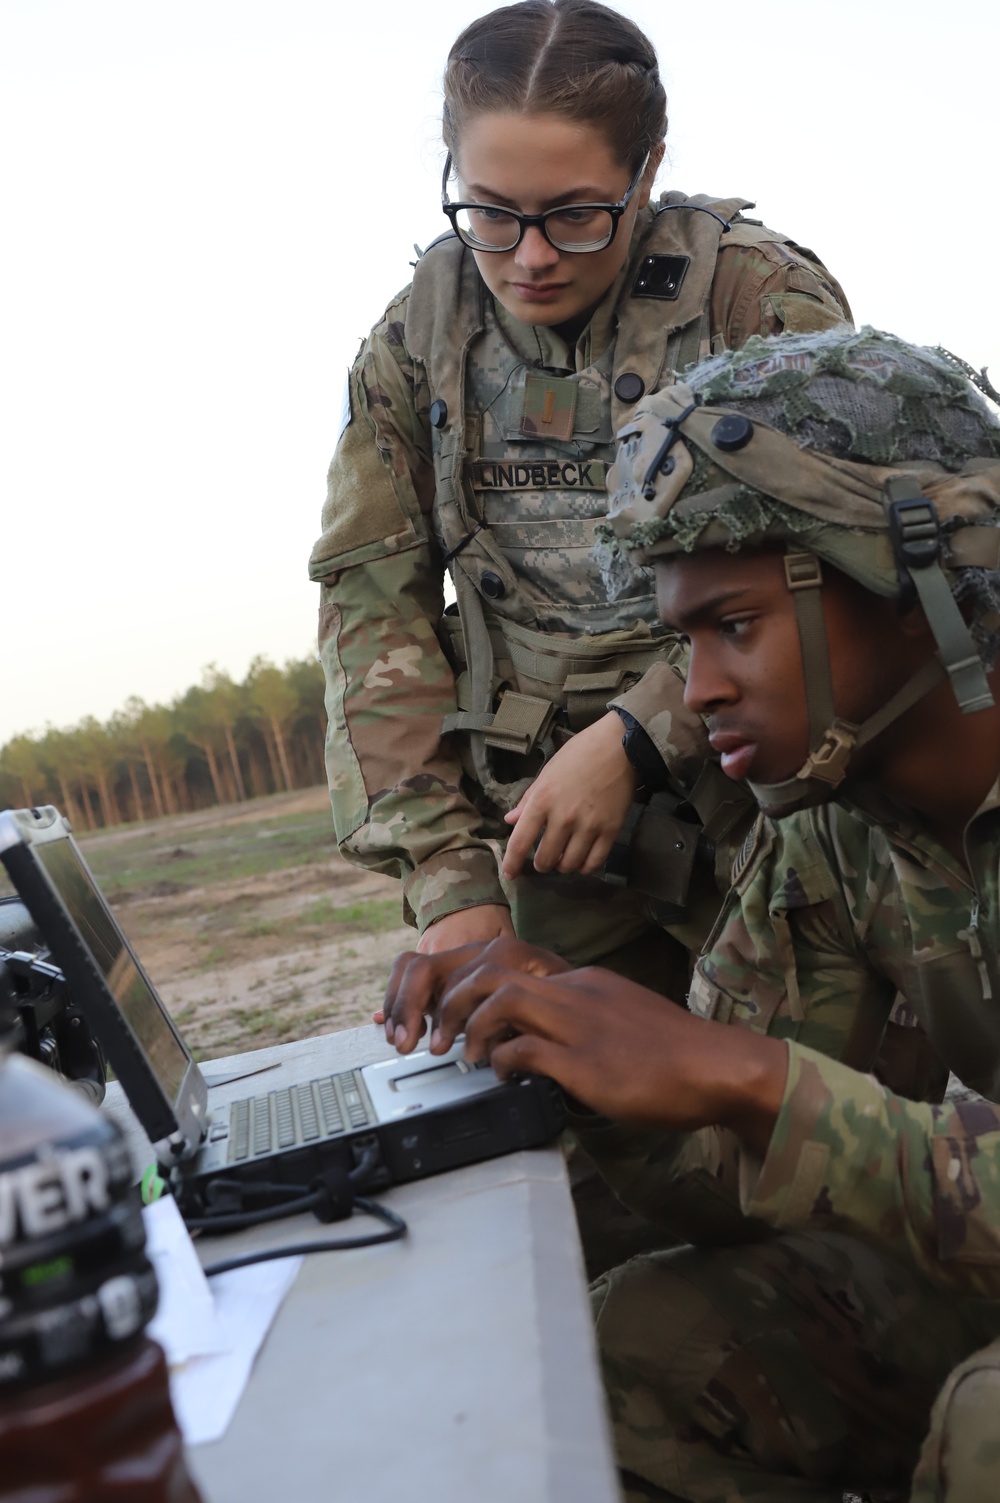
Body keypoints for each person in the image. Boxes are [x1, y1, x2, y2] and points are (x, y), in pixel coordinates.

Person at [380, 326, 1000, 1501]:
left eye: (735, 625)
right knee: (633, 1352)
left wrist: (755, 1079)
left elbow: (769, 1096)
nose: (698, 688)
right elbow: (718, 1187)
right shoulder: (829, 825)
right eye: (681, 640)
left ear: (912, 587)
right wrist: (571, 1041)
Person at [309, 0, 850, 994]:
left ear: (645, 170)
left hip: (770, 808)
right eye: (489, 212)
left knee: (795, 1128)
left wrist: (642, 734)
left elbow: (838, 578)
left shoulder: (752, 302)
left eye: (573, 214)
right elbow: (370, 614)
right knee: (570, 1126)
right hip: (542, 839)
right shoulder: (414, 344)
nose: (530, 256)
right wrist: (448, 877)